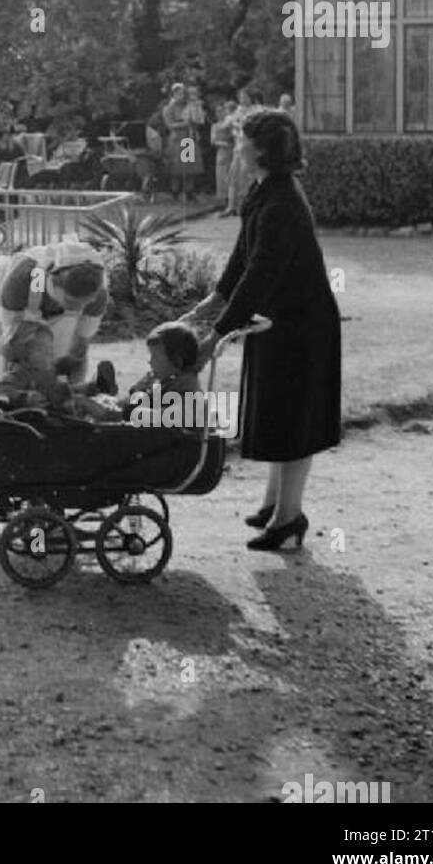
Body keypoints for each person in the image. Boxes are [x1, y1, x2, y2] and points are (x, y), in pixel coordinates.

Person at [187, 107, 342, 550]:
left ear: (259, 150)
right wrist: (214, 300)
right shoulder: (266, 192)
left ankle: (289, 518)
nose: (236, 147)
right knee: (278, 413)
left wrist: (217, 334)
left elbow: (259, 275)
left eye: (241, 141)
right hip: (281, 321)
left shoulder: (281, 203)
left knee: (295, 422)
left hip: (302, 326)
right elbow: (243, 257)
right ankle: (275, 504)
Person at [0, 240, 108, 388]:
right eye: (71, 301)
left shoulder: (97, 295)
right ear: (53, 281)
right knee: (21, 351)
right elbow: (11, 343)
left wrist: (73, 392)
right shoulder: (24, 280)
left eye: (84, 302)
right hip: (13, 295)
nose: (78, 308)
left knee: (63, 354)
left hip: (45, 299)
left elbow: (80, 349)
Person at [123, 321, 202, 416]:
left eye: (156, 357)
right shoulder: (162, 381)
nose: (150, 361)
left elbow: (177, 415)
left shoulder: (188, 386)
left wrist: (132, 412)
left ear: (177, 360)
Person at [224, 87, 264, 216]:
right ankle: (231, 206)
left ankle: (248, 206)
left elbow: (250, 126)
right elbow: (229, 122)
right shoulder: (239, 110)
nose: (241, 99)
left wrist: (237, 125)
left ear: (250, 97)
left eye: (244, 96)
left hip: (250, 148)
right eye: (240, 97)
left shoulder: (257, 110)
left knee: (248, 177)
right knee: (233, 176)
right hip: (238, 148)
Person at [210, 99, 239, 205]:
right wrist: (222, 143)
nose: (219, 113)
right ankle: (225, 198)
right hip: (222, 151)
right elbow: (213, 141)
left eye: (221, 111)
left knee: (233, 174)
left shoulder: (231, 123)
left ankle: (234, 199)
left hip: (232, 150)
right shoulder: (215, 126)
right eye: (217, 112)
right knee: (222, 174)